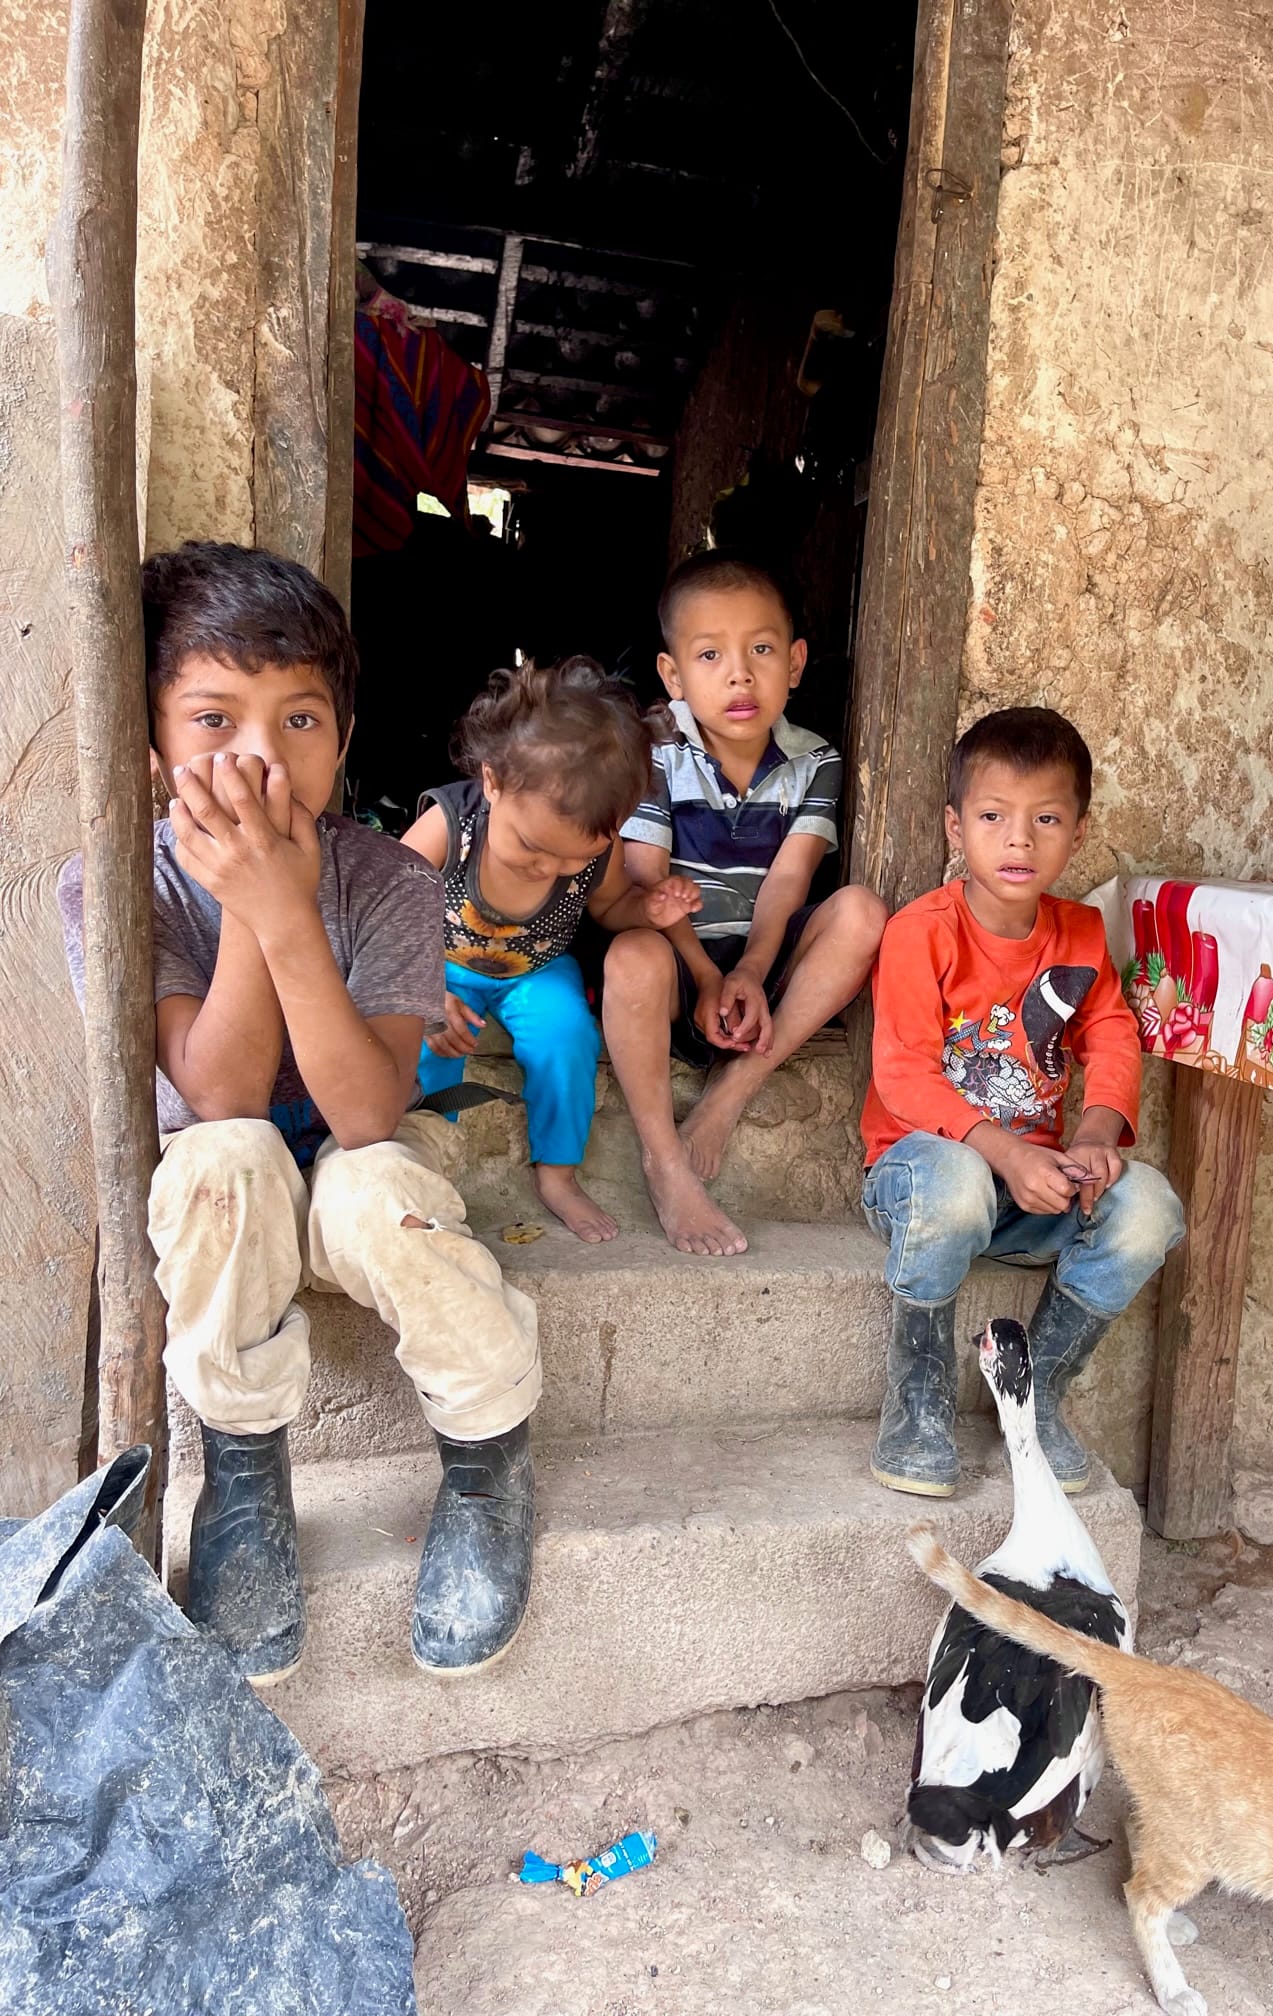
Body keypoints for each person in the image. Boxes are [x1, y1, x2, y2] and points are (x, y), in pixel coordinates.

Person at [57, 543, 542, 1686]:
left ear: (345, 738)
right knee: (221, 1159)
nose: (261, 758)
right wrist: (253, 904)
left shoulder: (392, 880)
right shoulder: (118, 887)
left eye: (301, 720)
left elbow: (368, 1109)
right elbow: (219, 1094)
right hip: (237, 1184)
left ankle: (488, 1452)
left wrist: (290, 909)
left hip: (349, 1161)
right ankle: (241, 1472)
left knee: (380, 1191)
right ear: (151, 743)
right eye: (213, 720)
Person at [860, 706, 1186, 1497]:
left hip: (1031, 1189)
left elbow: (1111, 1036)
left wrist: (1096, 1136)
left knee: (1150, 1207)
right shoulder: (921, 932)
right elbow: (903, 1076)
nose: (1019, 841)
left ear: (1077, 832)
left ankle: (1035, 1397)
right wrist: (1005, 1152)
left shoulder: (1079, 933)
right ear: (955, 826)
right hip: (920, 1181)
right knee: (955, 1179)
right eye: (992, 817)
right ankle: (918, 1404)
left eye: (1045, 819)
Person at [604, 551, 886, 1257]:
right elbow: (649, 887)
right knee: (630, 955)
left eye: (761, 649)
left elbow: (790, 882)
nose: (739, 675)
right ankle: (665, 1163)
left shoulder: (814, 761)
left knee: (862, 913)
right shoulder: (651, 751)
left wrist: (753, 971)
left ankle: (731, 1093)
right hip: (678, 962)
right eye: (710, 655)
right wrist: (706, 977)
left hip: (767, 959)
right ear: (673, 675)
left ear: (795, 662)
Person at [401, 657, 699, 1244]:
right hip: (441, 964)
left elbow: (611, 908)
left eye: (575, 858)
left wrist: (649, 910)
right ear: (492, 781)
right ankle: (419, 1162)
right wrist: (421, 990)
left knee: (567, 1035)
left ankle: (558, 1174)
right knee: (426, 1043)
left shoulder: (596, 850)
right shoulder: (451, 825)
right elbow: (387, 910)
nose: (552, 868)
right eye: (533, 847)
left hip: (536, 970)